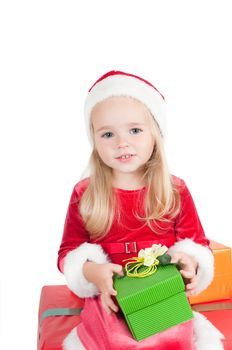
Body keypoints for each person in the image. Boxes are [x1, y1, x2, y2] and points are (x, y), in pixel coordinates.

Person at [57, 70, 224, 349]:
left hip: (161, 297)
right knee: (114, 340)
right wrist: (94, 274)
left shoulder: (174, 190)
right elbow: (68, 253)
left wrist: (190, 264)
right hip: (110, 299)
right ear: (94, 141)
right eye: (108, 134)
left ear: (155, 134)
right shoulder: (84, 193)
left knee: (173, 338)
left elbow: (196, 245)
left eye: (135, 130)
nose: (122, 143)